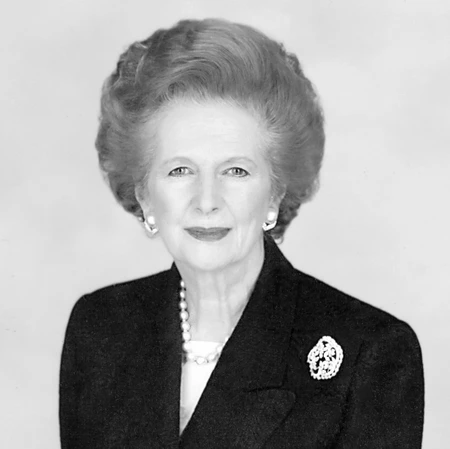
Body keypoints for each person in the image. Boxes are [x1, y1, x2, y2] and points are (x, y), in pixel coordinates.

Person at [59, 18, 424, 448]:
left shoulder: (371, 352)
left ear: (275, 192)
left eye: (235, 171)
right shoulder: (101, 327)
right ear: (144, 195)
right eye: (180, 170)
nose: (207, 200)